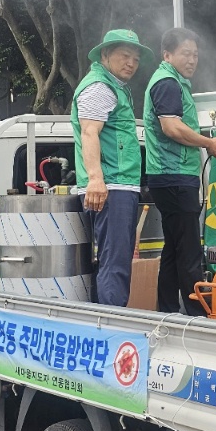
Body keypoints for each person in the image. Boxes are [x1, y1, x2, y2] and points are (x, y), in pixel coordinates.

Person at [143, 27, 216, 315]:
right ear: (167, 55)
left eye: (195, 54)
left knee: (173, 249)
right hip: (175, 176)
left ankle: (168, 310)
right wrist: (209, 143)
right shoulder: (168, 82)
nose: (193, 60)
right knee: (189, 250)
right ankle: (198, 315)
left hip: (168, 176)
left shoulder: (171, 82)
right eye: (186, 54)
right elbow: (171, 127)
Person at [72, 29, 153, 307]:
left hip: (116, 186)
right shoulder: (100, 87)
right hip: (112, 187)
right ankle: (112, 328)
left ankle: (105, 321)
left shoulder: (112, 87)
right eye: (124, 55)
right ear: (105, 55)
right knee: (115, 262)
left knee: (111, 260)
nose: (131, 62)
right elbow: (89, 133)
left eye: (136, 58)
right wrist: (96, 179)